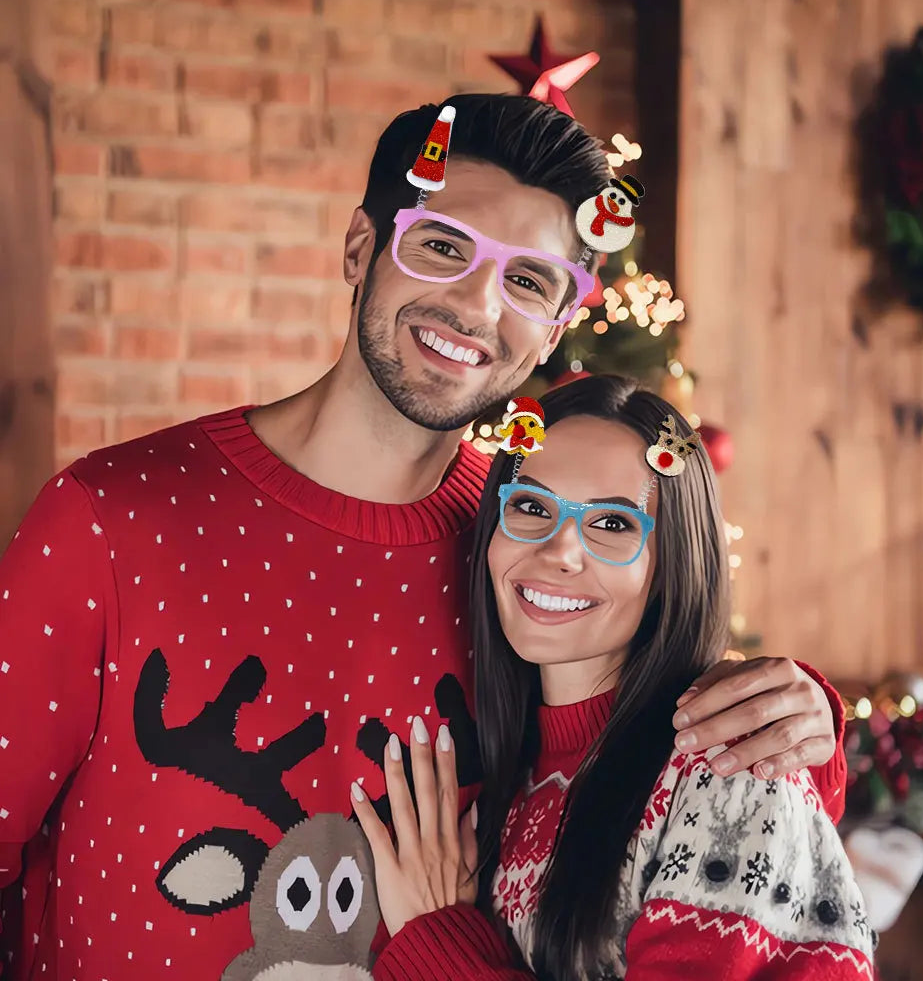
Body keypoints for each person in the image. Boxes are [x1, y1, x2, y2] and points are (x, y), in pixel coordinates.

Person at [0, 96, 845, 979]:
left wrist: (802, 727)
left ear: (556, 326)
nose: (476, 303)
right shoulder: (108, 517)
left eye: (527, 280)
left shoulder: (523, 557)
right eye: (442, 246)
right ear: (362, 248)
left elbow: (639, 759)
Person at [352, 376, 876, 981]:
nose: (560, 550)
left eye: (614, 525)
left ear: (671, 567)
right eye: (530, 506)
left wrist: (436, 948)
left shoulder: (725, 766)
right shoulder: (512, 781)